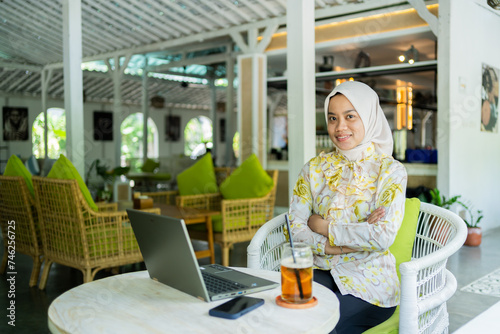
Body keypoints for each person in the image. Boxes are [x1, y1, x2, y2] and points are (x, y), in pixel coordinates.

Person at [288, 81, 407, 334]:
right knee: (282, 316)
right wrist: (331, 245)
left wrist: (323, 226)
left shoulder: (390, 171)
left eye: (350, 116)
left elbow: (382, 237)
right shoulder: (313, 169)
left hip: (369, 282)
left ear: (369, 117)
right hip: (318, 268)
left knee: (321, 326)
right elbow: (294, 228)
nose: (340, 127)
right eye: (333, 118)